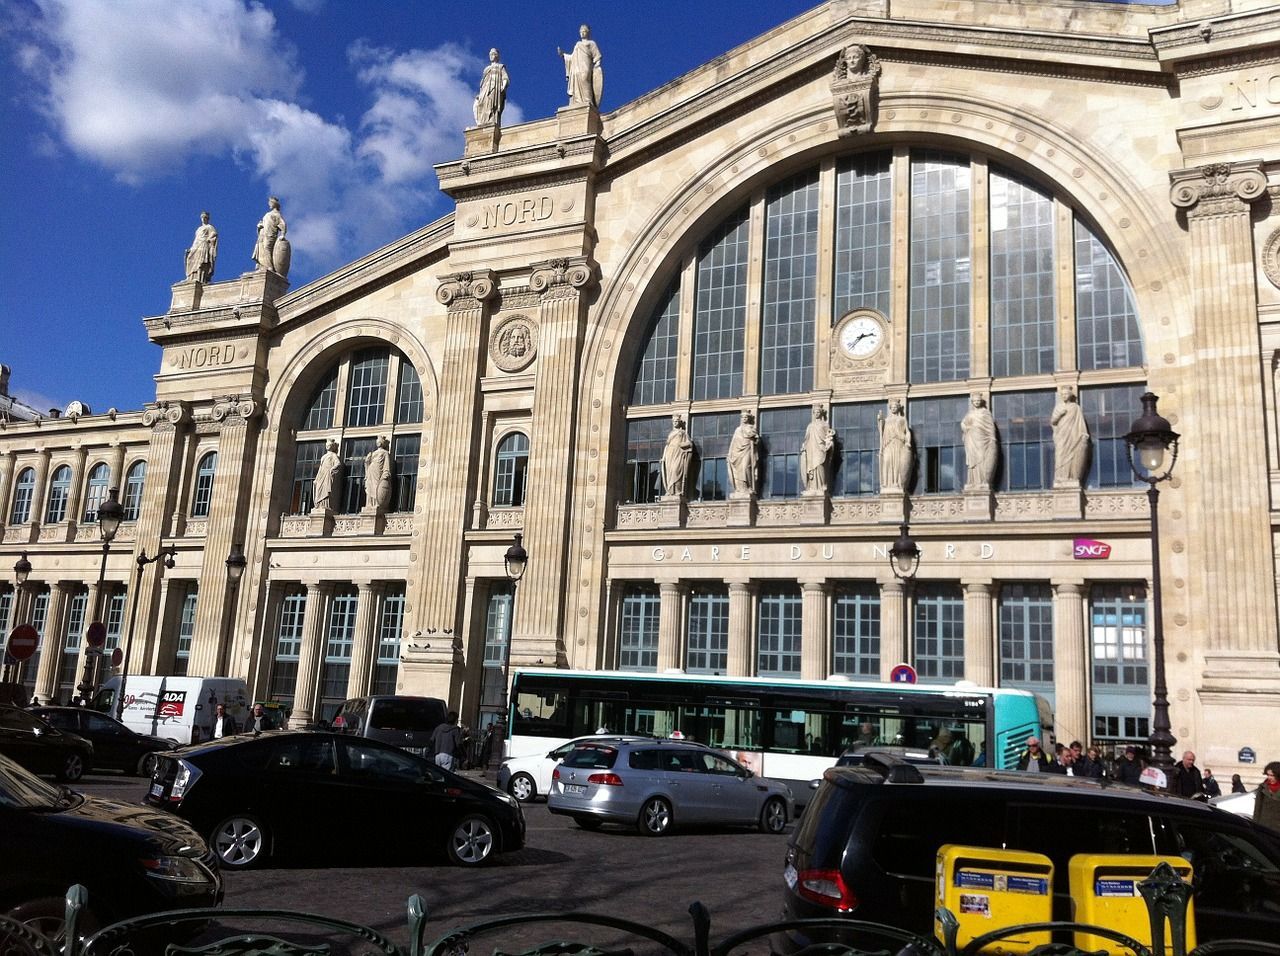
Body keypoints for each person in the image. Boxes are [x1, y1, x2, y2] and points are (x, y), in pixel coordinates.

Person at [557, 24, 602, 108]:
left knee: (585, 80)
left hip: (586, 66)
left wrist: (597, 63)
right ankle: (577, 102)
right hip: (576, 67)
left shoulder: (591, 43)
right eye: (581, 32)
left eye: (584, 31)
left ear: (588, 33)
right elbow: (572, 57)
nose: (582, 33)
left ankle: (588, 100)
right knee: (576, 82)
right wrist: (563, 55)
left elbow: (597, 54)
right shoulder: (577, 44)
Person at [1052, 385, 1089, 484]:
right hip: (1061, 435)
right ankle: (1061, 476)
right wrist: (1060, 414)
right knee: (1060, 455)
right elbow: (1053, 421)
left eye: (1066, 394)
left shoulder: (1075, 407)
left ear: (1070, 395)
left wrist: (1083, 434)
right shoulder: (1058, 407)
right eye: (1062, 394)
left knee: (1073, 454)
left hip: (1073, 435)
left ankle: (1071, 476)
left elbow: (1080, 422)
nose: (1064, 396)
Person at [961, 394, 997, 490]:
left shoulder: (985, 412)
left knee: (982, 458)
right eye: (975, 401)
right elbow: (963, 423)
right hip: (972, 439)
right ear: (972, 402)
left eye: (978, 401)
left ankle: (982, 481)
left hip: (982, 439)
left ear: (981, 401)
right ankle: (973, 482)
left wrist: (992, 438)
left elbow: (990, 427)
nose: (976, 402)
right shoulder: (970, 414)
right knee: (973, 461)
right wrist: (966, 427)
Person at [878, 398, 912, 491]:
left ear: (898, 408)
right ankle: (885, 483)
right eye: (892, 407)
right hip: (888, 444)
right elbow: (881, 431)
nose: (893, 408)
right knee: (887, 462)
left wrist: (908, 442)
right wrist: (880, 420)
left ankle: (896, 483)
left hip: (898, 442)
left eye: (895, 407)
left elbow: (907, 431)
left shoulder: (902, 419)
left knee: (896, 463)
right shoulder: (886, 420)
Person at [801, 404, 835, 494]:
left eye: (818, 412)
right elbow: (806, 438)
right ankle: (812, 488)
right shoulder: (810, 426)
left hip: (820, 449)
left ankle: (821, 486)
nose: (816, 413)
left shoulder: (825, 425)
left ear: (821, 413)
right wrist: (804, 447)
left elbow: (828, 436)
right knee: (812, 468)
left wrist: (829, 443)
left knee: (820, 466)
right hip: (811, 449)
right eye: (815, 412)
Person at [473, 48, 510, 126]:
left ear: (497, 56)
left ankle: (492, 119)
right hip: (486, 88)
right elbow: (483, 82)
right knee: (482, 103)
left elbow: (505, 77)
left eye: (493, 54)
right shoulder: (486, 69)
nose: (491, 56)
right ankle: (483, 121)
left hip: (495, 88)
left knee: (492, 104)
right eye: (490, 54)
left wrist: (503, 85)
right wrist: (480, 93)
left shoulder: (500, 67)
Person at [660, 415, 693, 499]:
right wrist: (663, 457)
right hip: (669, 454)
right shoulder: (671, 433)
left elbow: (690, 444)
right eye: (674, 421)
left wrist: (682, 444)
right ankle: (670, 491)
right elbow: (667, 446)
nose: (675, 423)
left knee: (676, 471)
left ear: (679, 422)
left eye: (677, 421)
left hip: (679, 453)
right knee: (670, 473)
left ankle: (677, 491)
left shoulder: (683, 433)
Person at [727, 410, 759, 496]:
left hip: (747, 449)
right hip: (737, 451)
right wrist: (730, 453)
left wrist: (755, 438)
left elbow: (756, 438)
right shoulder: (738, 429)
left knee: (745, 467)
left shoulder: (751, 428)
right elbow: (733, 442)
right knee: (738, 470)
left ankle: (748, 487)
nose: (744, 418)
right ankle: (740, 489)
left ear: (748, 418)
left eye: (746, 417)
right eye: (743, 417)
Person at [252, 196, 287, 273]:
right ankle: (262, 267)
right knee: (262, 249)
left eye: (270, 203)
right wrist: (259, 226)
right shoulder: (268, 214)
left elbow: (283, 224)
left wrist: (283, 235)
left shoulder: (276, 215)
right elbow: (264, 224)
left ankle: (269, 267)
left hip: (270, 235)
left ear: (274, 204)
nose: (269, 204)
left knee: (267, 248)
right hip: (263, 234)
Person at [185, 211, 218, 283]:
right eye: (202, 217)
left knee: (201, 261)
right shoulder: (198, 229)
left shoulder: (209, 227)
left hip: (203, 244)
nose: (203, 219)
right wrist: (191, 248)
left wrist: (208, 239)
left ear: (207, 218)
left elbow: (214, 234)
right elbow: (196, 239)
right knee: (190, 258)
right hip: (196, 245)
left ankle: (200, 278)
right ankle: (191, 277)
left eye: (205, 217)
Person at [363, 436, 393, 512]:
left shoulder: (385, 453)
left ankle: (377, 503)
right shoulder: (373, 453)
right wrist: (367, 461)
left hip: (378, 472)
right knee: (370, 487)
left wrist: (386, 472)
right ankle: (370, 504)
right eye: (377, 442)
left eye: (380, 442)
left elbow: (387, 465)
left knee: (377, 486)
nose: (378, 443)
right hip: (371, 471)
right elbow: (368, 463)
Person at [312, 439, 341, 511]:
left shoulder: (333, 455)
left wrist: (332, 469)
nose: (328, 446)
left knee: (325, 490)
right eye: (327, 445)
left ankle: (325, 505)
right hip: (322, 475)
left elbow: (338, 463)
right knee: (319, 489)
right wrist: (316, 479)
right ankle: (319, 505)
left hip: (327, 474)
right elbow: (320, 469)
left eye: (329, 445)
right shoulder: (323, 457)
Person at [1254, 761, 1280, 831]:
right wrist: (1255, 826)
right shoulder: (1262, 787)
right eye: (1268, 775)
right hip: (1264, 827)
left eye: (1272, 775)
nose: (1269, 777)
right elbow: (1257, 808)